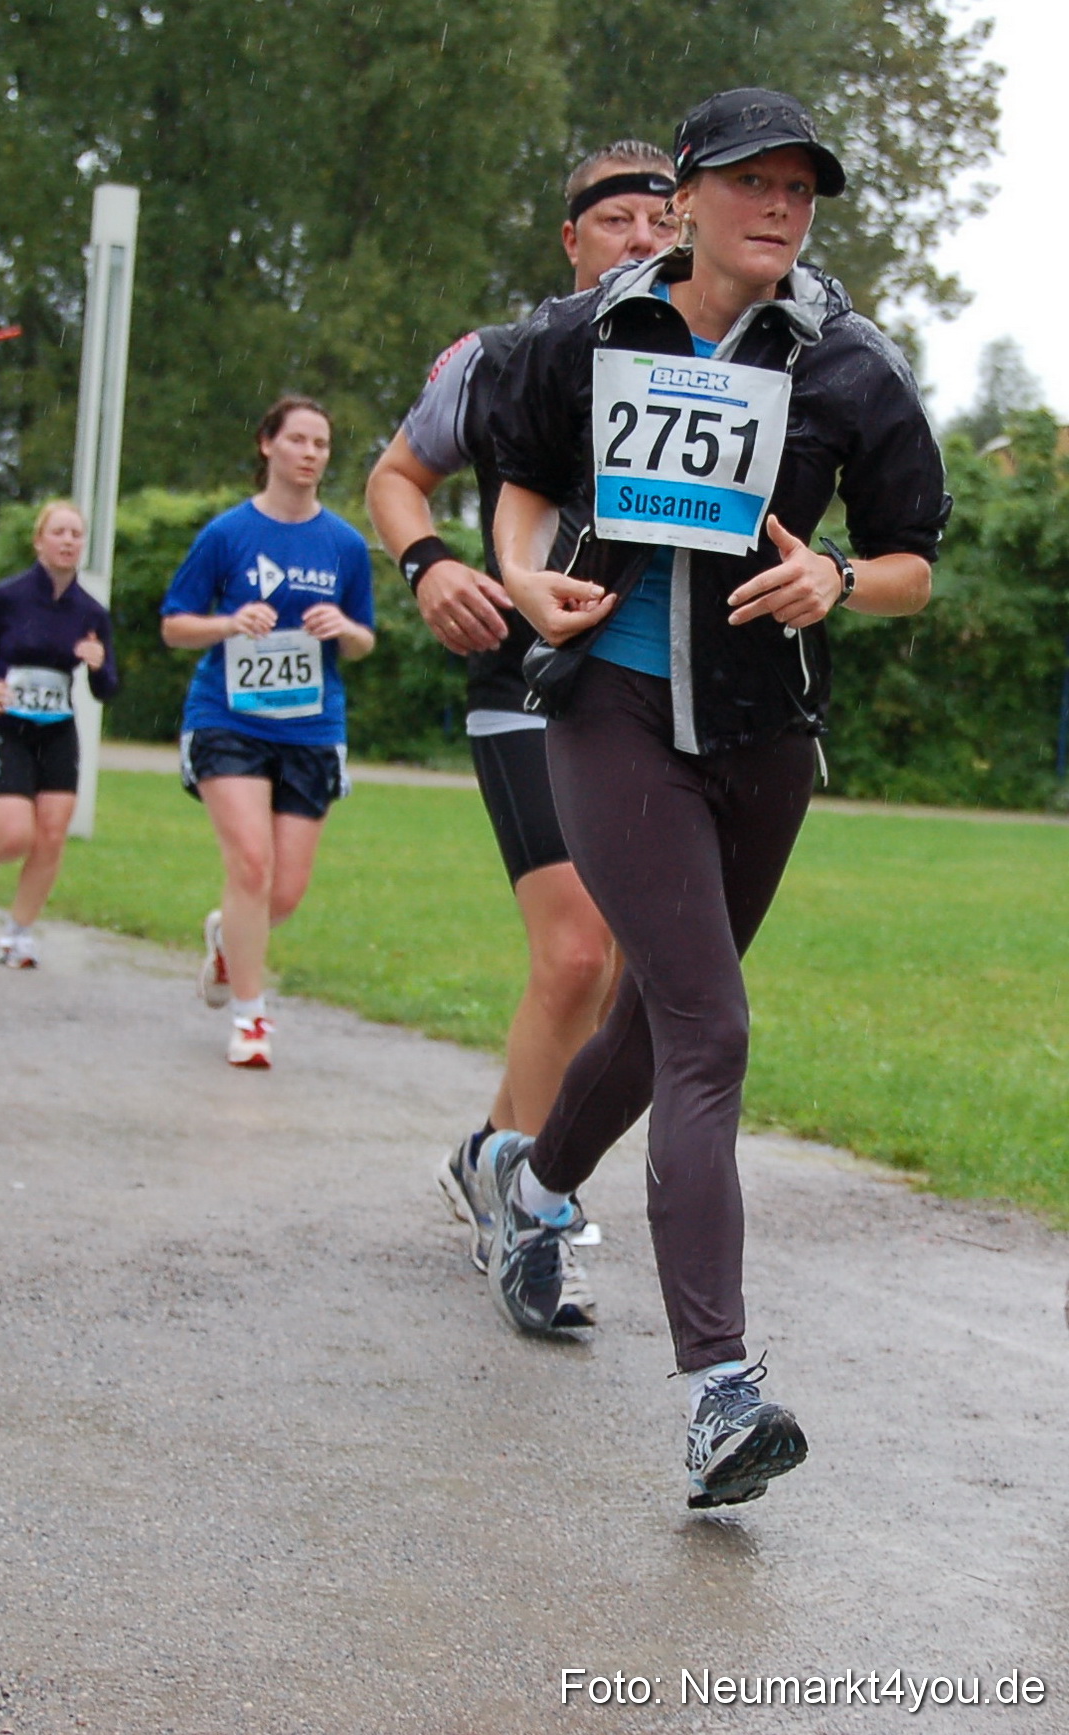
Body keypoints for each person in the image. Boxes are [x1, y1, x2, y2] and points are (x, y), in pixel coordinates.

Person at [484, 87, 950, 1508]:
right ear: (681, 195)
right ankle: (718, 1392)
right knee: (709, 1022)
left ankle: (530, 1183)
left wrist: (841, 579)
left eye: (801, 192)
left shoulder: (851, 366)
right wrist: (518, 576)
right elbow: (514, 480)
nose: (778, 209)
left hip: (759, 735)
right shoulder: (582, 335)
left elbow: (913, 560)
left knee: (658, 1015)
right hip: (612, 709)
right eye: (752, 182)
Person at [366, 141, 676, 1322]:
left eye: (663, 218)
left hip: (649, 690)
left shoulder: (723, 361)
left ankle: (493, 1156)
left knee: (611, 975)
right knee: (578, 953)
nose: (644, 238)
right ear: (570, 240)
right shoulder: (500, 358)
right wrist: (429, 561)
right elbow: (397, 473)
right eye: (617, 220)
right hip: (523, 674)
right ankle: (533, 1226)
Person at [161, 395, 374, 1070]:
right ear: (267, 445)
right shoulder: (226, 534)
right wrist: (229, 623)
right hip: (228, 717)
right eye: (300, 440)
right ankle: (251, 1017)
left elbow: (364, 638)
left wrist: (345, 631)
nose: (312, 453)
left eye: (323, 444)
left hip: (310, 726)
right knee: (250, 864)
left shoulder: (343, 543)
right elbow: (174, 624)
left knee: (283, 892)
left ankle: (230, 938)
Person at [0, 500, 117, 967]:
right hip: (5, 728)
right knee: (15, 834)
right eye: (59, 533)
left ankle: (18, 935)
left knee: (52, 834)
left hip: (57, 731)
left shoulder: (91, 612)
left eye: (76, 534)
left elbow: (107, 688)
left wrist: (99, 665)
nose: (68, 542)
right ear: (39, 541)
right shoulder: (8, 597)